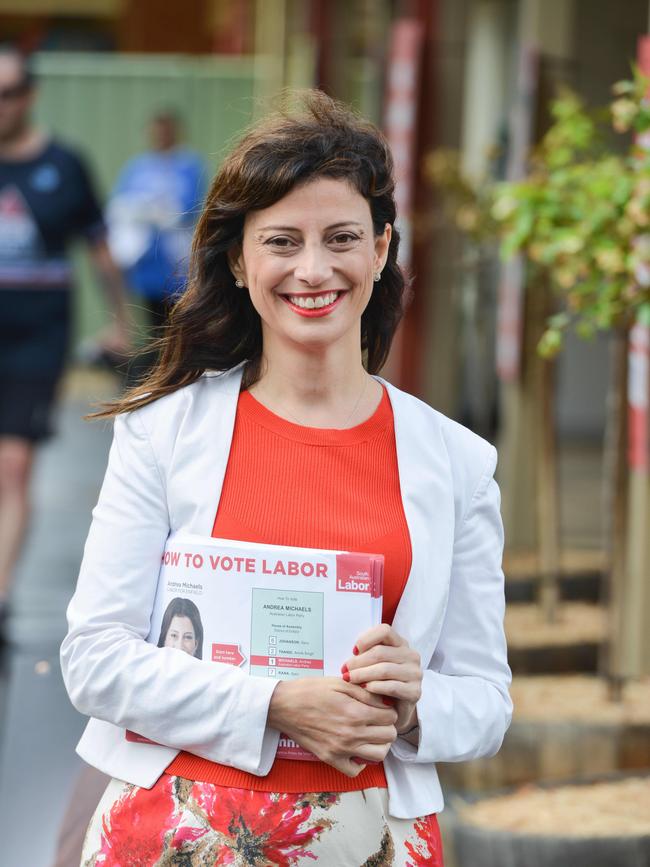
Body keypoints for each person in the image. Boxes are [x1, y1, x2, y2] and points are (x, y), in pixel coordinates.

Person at [61, 90, 512, 865]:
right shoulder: (163, 433)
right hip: (174, 831)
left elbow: (486, 702)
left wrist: (413, 704)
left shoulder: (456, 460)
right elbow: (94, 658)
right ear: (239, 260)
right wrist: (274, 703)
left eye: (341, 237)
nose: (314, 269)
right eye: (281, 241)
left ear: (380, 249)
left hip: (372, 838)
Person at [0, 46, 130, 634]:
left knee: (13, 465)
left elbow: (100, 250)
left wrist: (120, 322)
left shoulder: (65, 165)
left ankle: (0, 595)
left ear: (28, 96)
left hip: (36, 340)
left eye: (6, 93)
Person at [106, 110, 207, 328]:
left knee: (180, 312)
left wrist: (161, 212)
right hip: (146, 255)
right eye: (156, 132)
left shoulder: (189, 165)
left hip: (175, 253)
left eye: (165, 132)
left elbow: (190, 206)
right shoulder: (138, 167)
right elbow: (121, 203)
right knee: (154, 316)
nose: (160, 137)